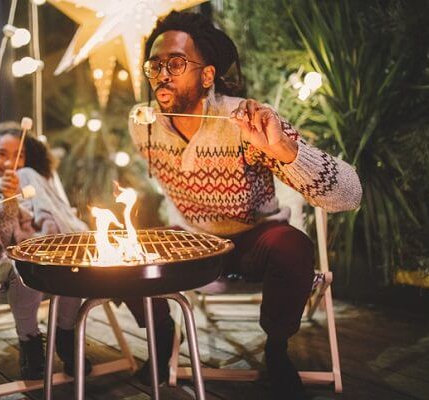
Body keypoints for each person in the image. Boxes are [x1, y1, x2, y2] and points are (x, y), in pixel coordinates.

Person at [126, 11, 362, 400]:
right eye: (155, 65)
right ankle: (161, 333)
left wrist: (285, 150)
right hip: (196, 242)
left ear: (207, 75)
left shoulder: (245, 121)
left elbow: (349, 196)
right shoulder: (143, 125)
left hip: (255, 237)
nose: (161, 74)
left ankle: (276, 349)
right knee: (125, 252)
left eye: (176, 63)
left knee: (294, 246)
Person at [0, 122, 92, 379]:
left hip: (50, 254)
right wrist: (9, 201)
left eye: (19, 155)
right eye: (1, 154)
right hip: (1, 260)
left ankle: (66, 334)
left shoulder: (36, 183)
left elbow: (59, 220)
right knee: (24, 265)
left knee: (72, 261)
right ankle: (30, 342)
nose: (10, 163)